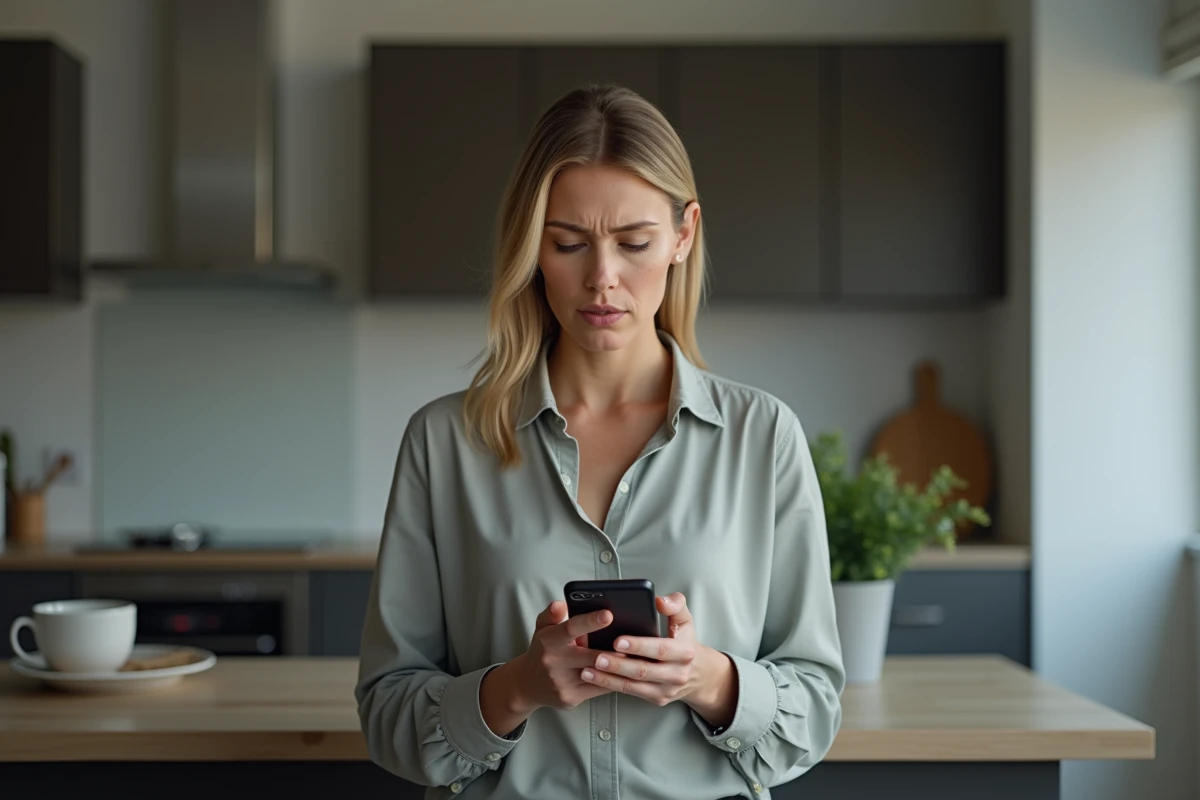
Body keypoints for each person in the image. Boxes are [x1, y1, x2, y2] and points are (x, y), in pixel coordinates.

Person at [355, 83, 844, 800]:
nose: (602, 279)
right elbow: (387, 714)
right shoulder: (444, 442)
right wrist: (515, 689)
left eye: (634, 242)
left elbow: (815, 707)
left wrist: (708, 679)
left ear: (684, 235)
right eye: (568, 243)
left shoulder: (762, 436)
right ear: (531, 246)